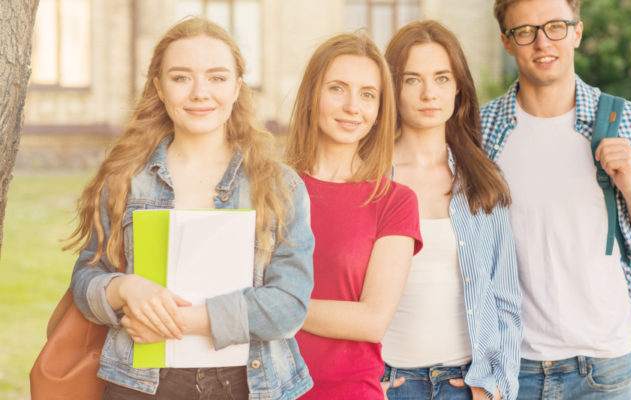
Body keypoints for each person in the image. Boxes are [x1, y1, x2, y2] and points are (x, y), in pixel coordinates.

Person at [66, 18, 314, 399]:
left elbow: (290, 304)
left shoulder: (281, 186)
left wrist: (179, 321)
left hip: (250, 384)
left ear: (236, 88)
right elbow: (86, 279)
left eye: (216, 78)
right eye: (181, 78)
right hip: (141, 384)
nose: (200, 92)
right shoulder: (125, 180)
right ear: (159, 89)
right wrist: (123, 288)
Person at [481, 0, 631, 399]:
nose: (542, 43)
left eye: (555, 26)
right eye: (525, 31)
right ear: (507, 43)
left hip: (603, 365)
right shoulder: (481, 130)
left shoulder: (624, 120)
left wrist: (629, 185)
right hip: (511, 363)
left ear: (577, 31)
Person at [379, 20, 521, 400]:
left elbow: (504, 294)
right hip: (389, 384)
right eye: (412, 79)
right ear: (393, 88)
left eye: (441, 78)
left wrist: (496, 387)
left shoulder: (482, 180)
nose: (429, 93)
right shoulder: (371, 181)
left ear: (458, 86)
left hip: (466, 384)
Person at [285, 32, 423, 399]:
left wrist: (272, 306)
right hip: (267, 388)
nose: (352, 107)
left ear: (380, 109)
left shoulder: (394, 201)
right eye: (337, 89)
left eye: (367, 95)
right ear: (312, 95)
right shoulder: (270, 190)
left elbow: (372, 320)